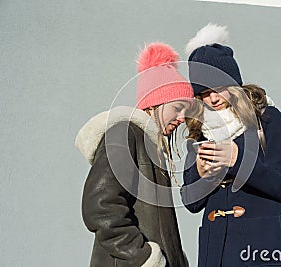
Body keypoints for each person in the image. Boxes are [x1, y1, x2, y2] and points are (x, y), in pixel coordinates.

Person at [181, 23, 281, 267]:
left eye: (218, 88)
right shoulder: (199, 132)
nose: (212, 98)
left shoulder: (267, 119)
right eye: (203, 93)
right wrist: (203, 176)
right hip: (216, 252)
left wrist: (238, 160)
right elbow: (190, 202)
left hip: (262, 248)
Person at [75, 42, 193, 267]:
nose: (182, 118)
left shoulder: (152, 147)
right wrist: (143, 257)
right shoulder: (125, 133)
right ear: (155, 102)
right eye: (178, 108)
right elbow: (100, 206)